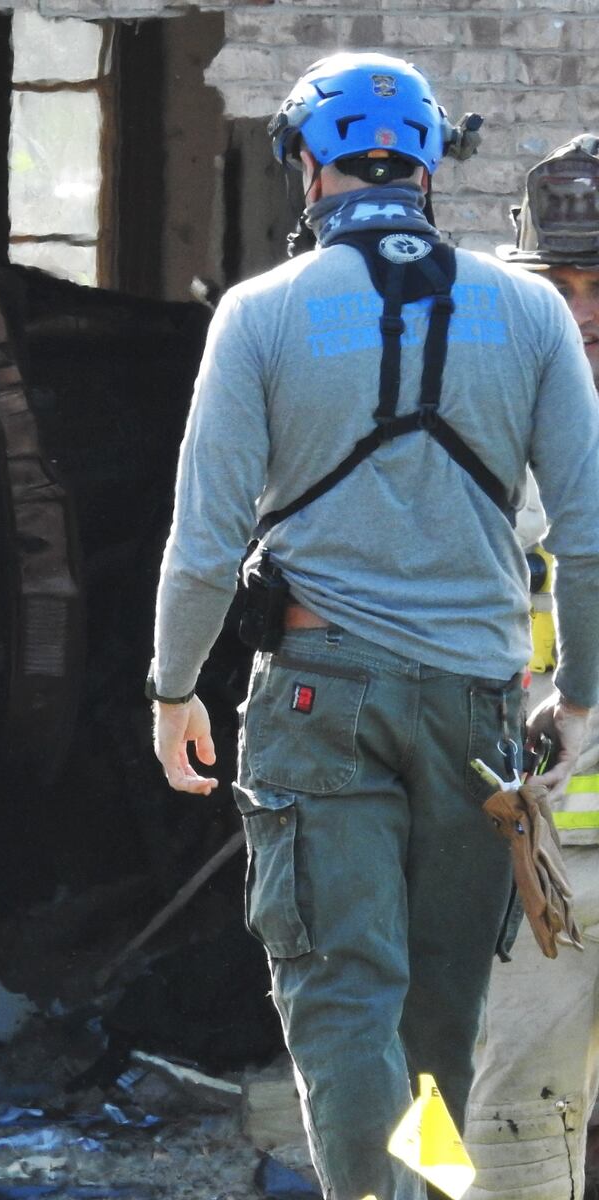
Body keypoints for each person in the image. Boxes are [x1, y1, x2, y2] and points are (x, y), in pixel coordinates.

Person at [147, 53, 599, 1200]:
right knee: (442, 1021)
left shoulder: (259, 316)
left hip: (316, 697)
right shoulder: (533, 310)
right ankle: (431, 1194)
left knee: (345, 998)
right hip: (478, 711)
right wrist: (581, 692)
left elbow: (203, 545)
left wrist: (170, 688)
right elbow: (584, 538)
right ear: (436, 159)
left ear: (305, 160)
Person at [463, 135, 599, 1200]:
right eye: (561, 281)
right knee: (512, 1125)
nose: (582, 309)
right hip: (540, 854)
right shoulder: (483, 427)